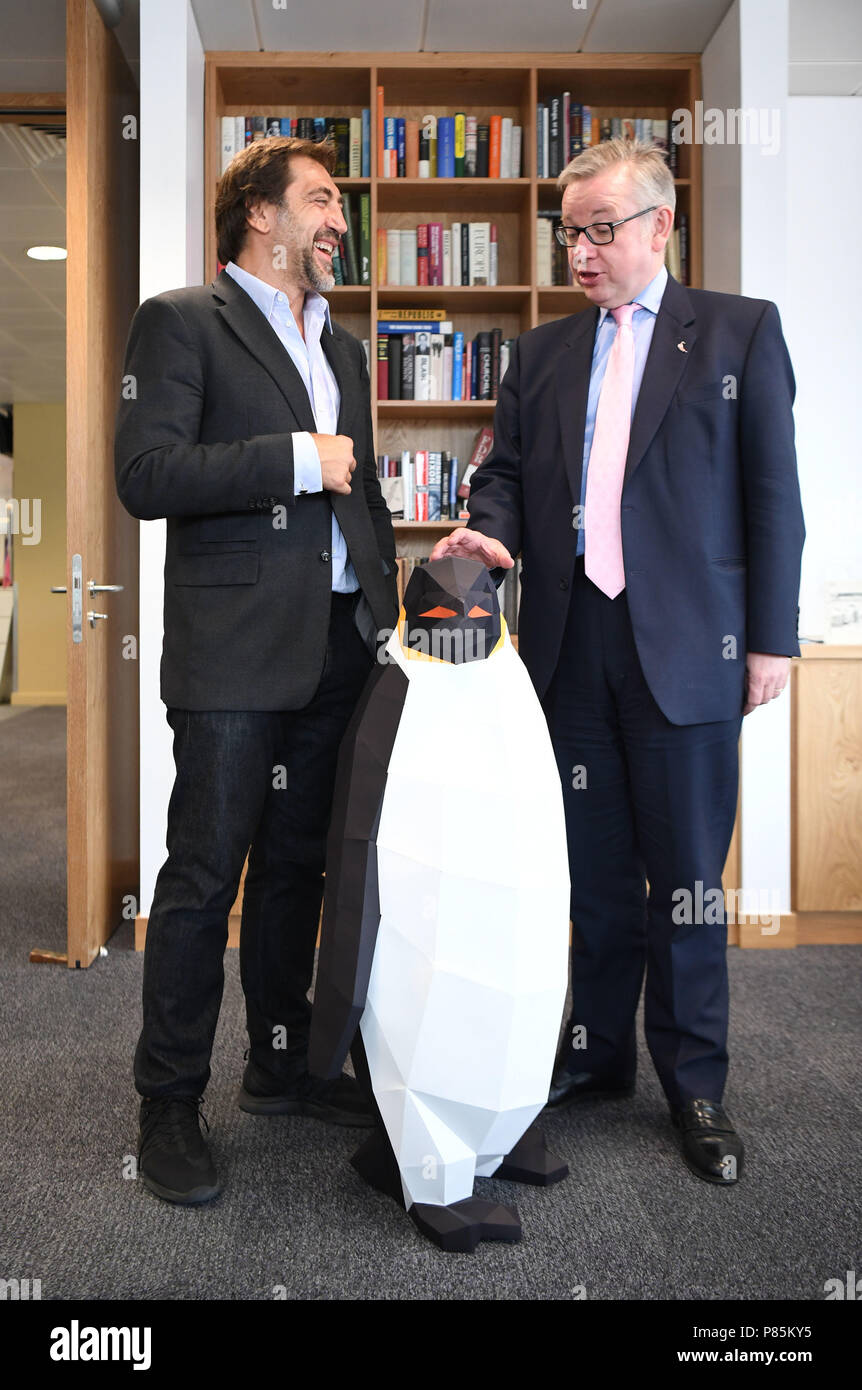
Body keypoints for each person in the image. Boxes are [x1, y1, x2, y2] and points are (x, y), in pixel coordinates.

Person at [432, 138, 804, 1184]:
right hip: (568, 647)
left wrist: (771, 636)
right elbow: (503, 473)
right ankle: (596, 1057)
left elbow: (773, 495)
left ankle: (695, 1084)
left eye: (599, 227)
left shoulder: (736, 332)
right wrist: (489, 533)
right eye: (568, 231)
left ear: (657, 225)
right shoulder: (543, 353)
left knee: (682, 880)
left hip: (688, 648)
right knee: (591, 876)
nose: (580, 250)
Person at [115, 137, 398, 1205]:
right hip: (233, 652)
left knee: (300, 872)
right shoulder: (184, 320)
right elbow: (144, 473)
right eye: (321, 200)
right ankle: (168, 1104)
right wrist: (292, 456)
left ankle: (279, 1065)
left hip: (340, 648)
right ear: (260, 218)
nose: (338, 219)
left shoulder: (351, 350)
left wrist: (392, 616)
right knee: (202, 877)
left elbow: (361, 497)